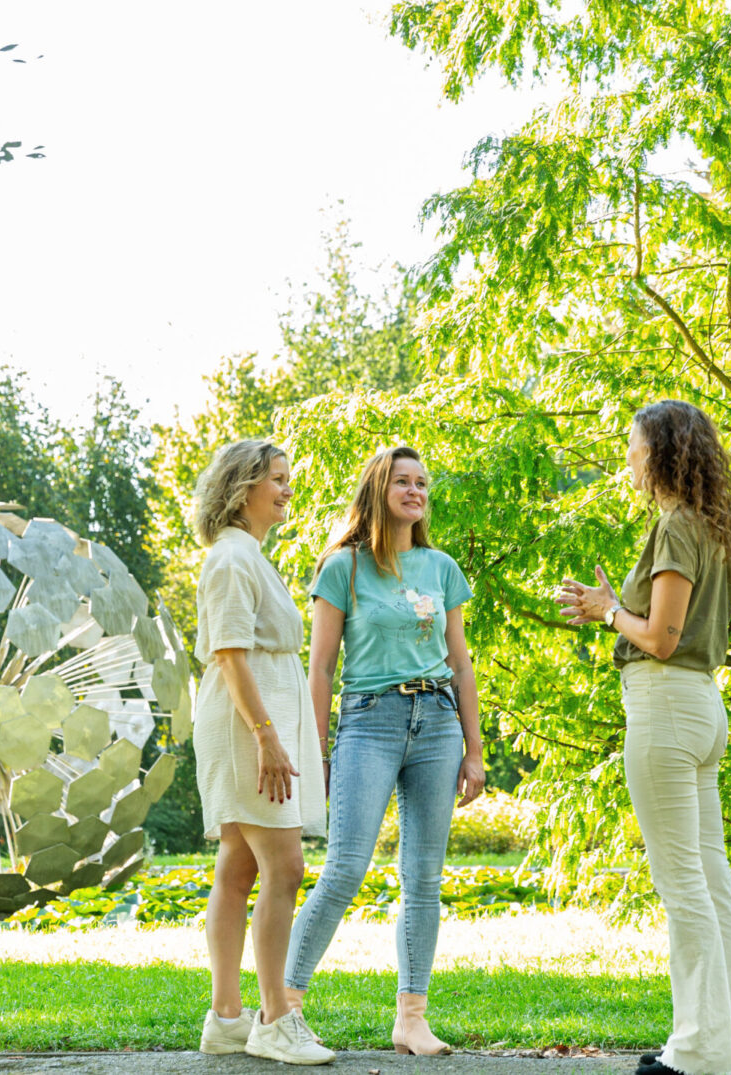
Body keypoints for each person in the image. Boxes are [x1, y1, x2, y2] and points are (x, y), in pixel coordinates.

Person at [556, 399, 731, 1075]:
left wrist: (611, 612)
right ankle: (716, 1048)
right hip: (701, 707)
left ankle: (697, 1052)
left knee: (684, 884)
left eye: (634, 447)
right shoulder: (711, 526)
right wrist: (611, 607)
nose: (628, 458)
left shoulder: (675, 526)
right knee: (710, 882)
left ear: (660, 452)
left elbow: (661, 639)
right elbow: (670, 625)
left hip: (665, 705)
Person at [282, 444, 486, 1056]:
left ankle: (412, 1018)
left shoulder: (440, 566)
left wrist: (474, 750)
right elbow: (319, 670)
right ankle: (284, 1008)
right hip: (369, 719)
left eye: (423, 482)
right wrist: (316, 752)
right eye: (403, 481)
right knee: (345, 867)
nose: (416, 491)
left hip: (438, 724)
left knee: (424, 879)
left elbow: (460, 662)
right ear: (379, 489)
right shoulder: (342, 567)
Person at [188, 438, 335, 1066]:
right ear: (242, 487)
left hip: (255, 722)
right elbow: (229, 653)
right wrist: (267, 736)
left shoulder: (249, 556)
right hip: (248, 727)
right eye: (277, 479)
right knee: (285, 868)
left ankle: (226, 1019)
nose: (286, 489)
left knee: (240, 865)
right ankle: (276, 1017)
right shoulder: (230, 559)